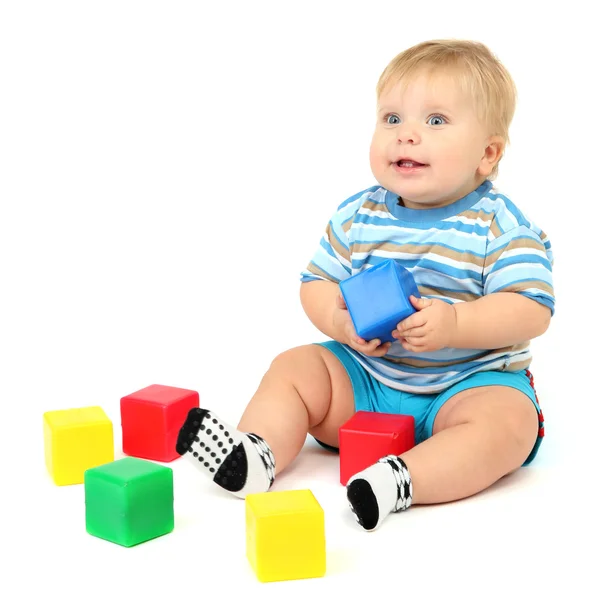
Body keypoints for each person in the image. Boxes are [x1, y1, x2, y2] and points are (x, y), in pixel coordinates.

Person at [176, 39, 555, 531]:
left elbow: (531, 308)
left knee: (509, 423)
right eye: (392, 119)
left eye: (435, 121)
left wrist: (456, 322)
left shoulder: (500, 227)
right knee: (297, 366)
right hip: (367, 382)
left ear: (487, 154)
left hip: (466, 386)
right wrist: (339, 320)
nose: (406, 136)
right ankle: (257, 453)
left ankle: (400, 482)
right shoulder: (359, 215)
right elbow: (315, 283)